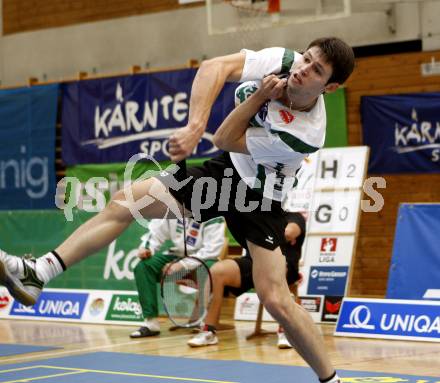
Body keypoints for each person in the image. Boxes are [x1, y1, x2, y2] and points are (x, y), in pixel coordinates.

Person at [0, 37, 354, 383]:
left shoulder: (306, 134)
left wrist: (260, 95)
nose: (303, 68)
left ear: (330, 86)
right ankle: (39, 272)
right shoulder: (283, 61)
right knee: (126, 201)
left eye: (316, 69)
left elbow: (226, 138)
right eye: (306, 58)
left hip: (260, 197)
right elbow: (215, 67)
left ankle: (330, 379)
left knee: (276, 298)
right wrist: (193, 126)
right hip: (226, 170)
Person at [187, 212, 305, 349]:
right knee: (217, 271)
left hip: (284, 265)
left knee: (279, 266)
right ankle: (208, 330)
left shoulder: (294, 217)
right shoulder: (256, 216)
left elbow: (289, 233)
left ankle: (286, 332)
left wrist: (260, 233)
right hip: (253, 262)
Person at [129, 217, 226, 338]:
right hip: (177, 256)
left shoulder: (214, 214)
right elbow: (156, 233)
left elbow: (211, 251)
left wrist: (183, 264)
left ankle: (205, 324)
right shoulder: (173, 207)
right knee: (144, 266)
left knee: (213, 271)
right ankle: (151, 324)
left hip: (204, 261)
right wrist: (147, 248)